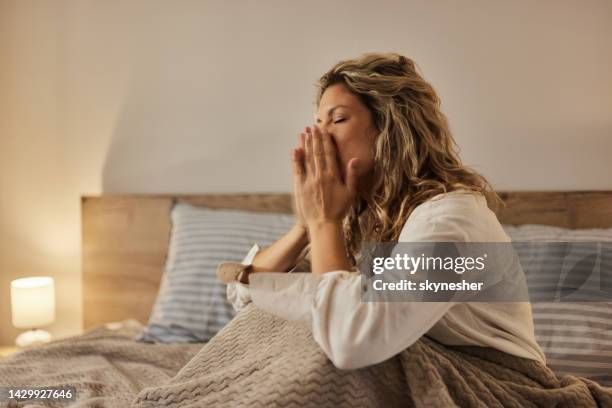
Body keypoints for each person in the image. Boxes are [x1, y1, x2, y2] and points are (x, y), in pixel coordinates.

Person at [217, 52, 545, 370]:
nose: (320, 136)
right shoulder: (362, 219)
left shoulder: (452, 220)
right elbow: (248, 294)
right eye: (318, 122)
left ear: (389, 127)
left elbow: (350, 340)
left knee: (316, 345)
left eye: (338, 119)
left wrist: (324, 223)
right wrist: (306, 227)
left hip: (494, 379)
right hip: (420, 361)